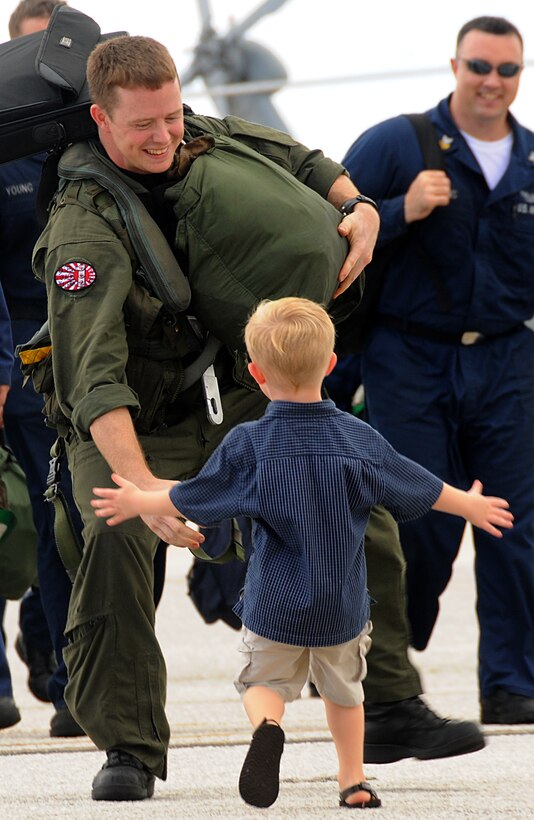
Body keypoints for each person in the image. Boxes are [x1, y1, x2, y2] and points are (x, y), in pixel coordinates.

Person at [31, 34, 379, 800]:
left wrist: (359, 208)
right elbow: (94, 379)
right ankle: (127, 746)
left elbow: (305, 162)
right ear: (101, 120)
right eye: (143, 126)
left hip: (236, 399)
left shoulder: (206, 134)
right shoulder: (83, 230)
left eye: (171, 115)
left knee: (353, 495)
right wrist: (146, 488)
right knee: (117, 527)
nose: (164, 136)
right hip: (137, 418)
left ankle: (378, 701)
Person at [91, 296, 513, 809]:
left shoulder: (250, 444)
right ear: (331, 364)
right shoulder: (358, 439)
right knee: (347, 696)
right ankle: (353, 781)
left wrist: (139, 498)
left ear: (254, 372)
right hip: (342, 607)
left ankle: (268, 725)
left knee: (262, 683)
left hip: (275, 605)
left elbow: (195, 494)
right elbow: (418, 484)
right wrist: (468, 504)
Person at [342, 15, 534, 725]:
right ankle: (382, 656)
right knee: (417, 517)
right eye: (480, 67)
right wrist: (400, 209)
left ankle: (511, 683)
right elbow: (327, 230)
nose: (492, 82)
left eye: (507, 71)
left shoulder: (531, 161)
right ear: (454, 64)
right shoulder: (400, 143)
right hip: (410, 358)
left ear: (521, 75)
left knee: (514, 525)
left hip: (508, 360)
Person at [0, 0, 85, 738]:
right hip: (19, 366)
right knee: (23, 520)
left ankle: (68, 679)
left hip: (88, 362)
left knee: (79, 525)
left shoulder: (97, 136)